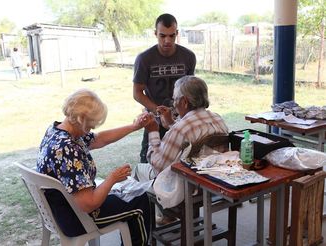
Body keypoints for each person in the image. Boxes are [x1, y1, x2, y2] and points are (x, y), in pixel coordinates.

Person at [37, 89, 150, 246]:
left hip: (60, 210)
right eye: (90, 125)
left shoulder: (57, 131)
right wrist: (112, 179)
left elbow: (99, 139)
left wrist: (134, 127)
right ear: (81, 120)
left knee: (128, 192)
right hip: (76, 218)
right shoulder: (67, 149)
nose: (91, 129)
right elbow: (89, 203)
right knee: (140, 201)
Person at [133, 75, 229, 216]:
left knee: (137, 170)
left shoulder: (181, 129)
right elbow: (193, 132)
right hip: (211, 181)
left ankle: (154, 220)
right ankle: (170, 216)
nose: (173, 104)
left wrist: (153, 132)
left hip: (185, 187)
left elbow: (158, 166)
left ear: (184, 101)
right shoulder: (217, 118)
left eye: (174, 99)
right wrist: (172, 123)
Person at [133, 13, 196, 163]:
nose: (167, 40)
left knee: (182, 162)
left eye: (171, 36)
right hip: (155, 120)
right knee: (150, 162)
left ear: (177, 34)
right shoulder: (144, 59)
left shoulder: (188, 56)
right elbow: (137, 93)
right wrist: (158, 111)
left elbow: (190, 88)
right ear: (155, 34)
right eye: (162, 36)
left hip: (181, 120)